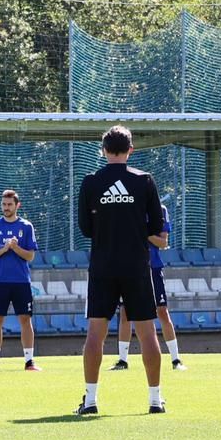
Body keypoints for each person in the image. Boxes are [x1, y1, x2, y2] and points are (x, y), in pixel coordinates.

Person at [76, 126, 166, 416]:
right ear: (131, 149)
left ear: (103, 150)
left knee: (95, 333)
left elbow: (85, 228)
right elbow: (156, 227)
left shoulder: (91, 182)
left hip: (102, 265)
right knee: (148, 333)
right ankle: (155, 400)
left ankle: (90, 400)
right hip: (137, 265)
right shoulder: (144, 181)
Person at [114, 203, 186, 373]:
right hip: (130, 269)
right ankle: (122, 361)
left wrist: (143, 231)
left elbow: (162, 242)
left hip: (153, 268)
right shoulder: (127, 208)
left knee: (162, 312)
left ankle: (176, 359)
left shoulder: (160, 210)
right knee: (125, 314)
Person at [0, 188, 39, 372]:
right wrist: (4, 249)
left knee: (25, 319)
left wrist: (16, 248)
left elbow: (30, 256)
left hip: (21, 281)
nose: (6, 208)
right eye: (4, 204)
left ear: (17, 205)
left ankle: (29, 361)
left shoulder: (26, 226)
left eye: (9, 204)